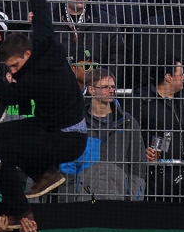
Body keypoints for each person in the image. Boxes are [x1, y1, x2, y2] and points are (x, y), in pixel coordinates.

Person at [0, 0, 87, 224]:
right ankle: (45, 174)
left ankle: (19, 211)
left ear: (27, 55)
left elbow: (9, 97)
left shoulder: (35, 79)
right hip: (53, 125)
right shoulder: (44, 43)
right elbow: (41, 14)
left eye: (15, 66)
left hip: (66, 139)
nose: (14, 71)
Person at [59, 68, 147, 201]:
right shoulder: (77, 122)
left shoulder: (128, 122)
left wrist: (134, 197)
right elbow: (68, 165)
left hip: (119, 199)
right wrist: (69, 199)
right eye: (105, 87)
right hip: (83, 199)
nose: (111, 90)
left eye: (113, 86)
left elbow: (137, 164)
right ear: (91, 90)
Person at [130, 60, 184, 202]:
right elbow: (131, 132)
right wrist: (143, 150)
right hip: (153, 177)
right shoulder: (143, 100)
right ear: (168, 77)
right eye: (181, 74)